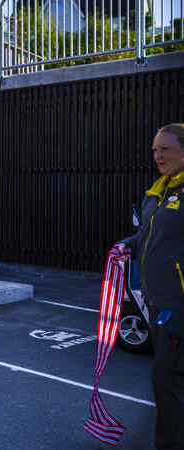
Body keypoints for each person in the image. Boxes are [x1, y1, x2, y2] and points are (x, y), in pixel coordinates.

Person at [116, 123, 184, 449]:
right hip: (156, 300)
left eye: (165, 149)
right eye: (154, 149)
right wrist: (126, 244)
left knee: (167, 380)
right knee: (168, 377)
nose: (157, 155)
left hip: (179, 303)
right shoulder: (159, 190)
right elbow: (146, 235)